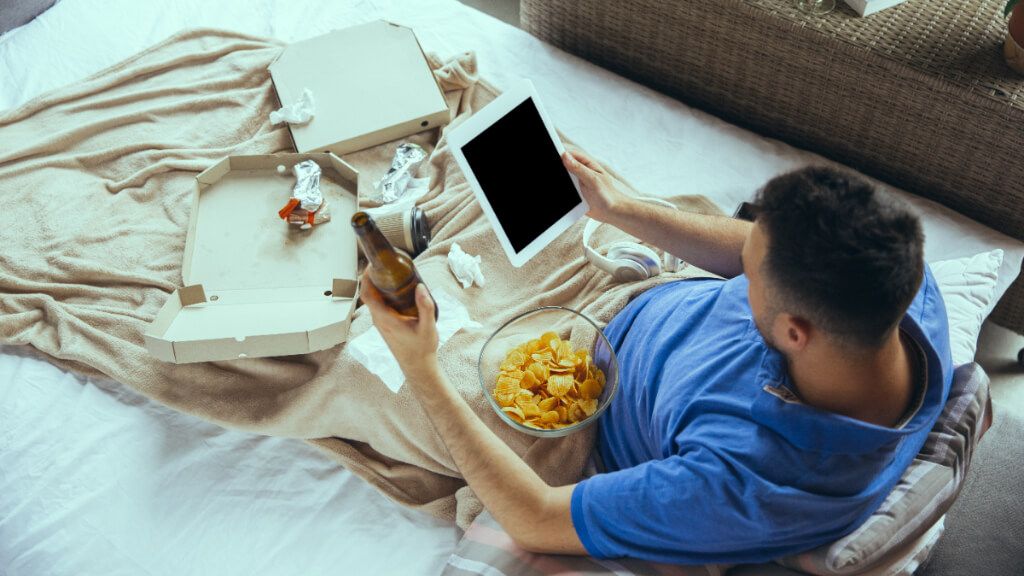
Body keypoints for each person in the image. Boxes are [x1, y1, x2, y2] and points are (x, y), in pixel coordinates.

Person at [358, 150, 952, 565]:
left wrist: (421, 368)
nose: (744, 269)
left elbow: (536, 516)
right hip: (635, 284)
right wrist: (620, 208)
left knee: (356, 365)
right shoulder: (896, 281)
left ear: (796, 332)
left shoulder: (745, 483)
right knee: (483, 182)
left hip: (576, 419)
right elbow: (755, 247)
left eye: (751, 278)